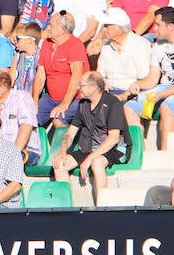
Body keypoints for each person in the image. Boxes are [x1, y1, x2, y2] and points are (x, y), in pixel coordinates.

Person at [123, 7, 174, 149]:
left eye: (158, 25)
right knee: (129, 107)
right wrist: (138, 84)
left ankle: (165, 152)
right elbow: (152, 79)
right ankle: (138, 151)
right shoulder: (159, 45)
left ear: (170, 26)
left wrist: (162, 94)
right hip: (166, 87)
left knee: (167, 106)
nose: (154, 29)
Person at [52, 73, 126, 205]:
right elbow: (70, 133)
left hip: (113, 149)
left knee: (96, 162)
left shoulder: (113, 104)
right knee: (60, 164)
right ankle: (67, 209)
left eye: (82, 85)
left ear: (93, 87)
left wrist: (89, 159)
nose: (78, 88)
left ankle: (102, 208)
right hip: (88, 148)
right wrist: (62, 151)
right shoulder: (83, 104)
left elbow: (113, 138)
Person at [33, 12, 89, 125]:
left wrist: (65, 104)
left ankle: (63, 142)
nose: (47, 28)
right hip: (51, 98)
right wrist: (35, 99)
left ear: (63, 29)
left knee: (58, 119)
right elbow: (40, 75)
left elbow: (76, 77)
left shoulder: (75, 45)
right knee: (29, 117)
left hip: (75, 98)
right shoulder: (46, 43)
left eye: (50, 25)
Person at [95, 7, 153, 98]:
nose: (103, 29)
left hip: (132, 94)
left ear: (120, 29)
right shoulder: (106, 47)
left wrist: (124, 95)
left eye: (107, 26)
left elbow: (144, 79)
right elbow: (101, 74)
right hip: (109, 93)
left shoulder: (140, 45)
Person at [0, 69, 38, 165]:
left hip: (24, 152)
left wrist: (13, 155)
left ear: (2, 88)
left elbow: (26, 126)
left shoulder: (20, 97)